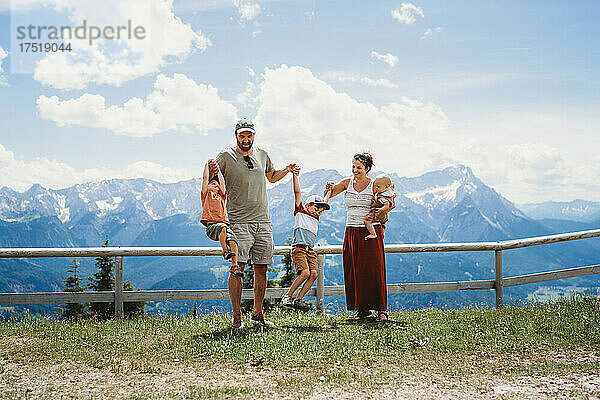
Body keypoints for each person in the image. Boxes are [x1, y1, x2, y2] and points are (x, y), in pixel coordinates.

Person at [216, 118, 297, 329]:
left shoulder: (262, 154)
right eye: (242, 135)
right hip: (238, 222)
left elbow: (271, 176)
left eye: (249, 135)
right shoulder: (226, 156)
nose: (246, 139)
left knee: (262, 268)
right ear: (236, 136)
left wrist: (287, 170)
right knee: (237, 269)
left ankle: (258, 315)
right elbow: (213, 180)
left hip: (263, 221)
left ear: (254, 136)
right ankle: (236, 317)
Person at [325, 152, 388, 322]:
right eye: (353, 166)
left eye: (359, 167)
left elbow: (385, 203)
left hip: (370, 231)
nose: (354, 170)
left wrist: (381, 213)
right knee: (354, 270)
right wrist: (328, 188)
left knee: (375, 270)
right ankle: (362, 309)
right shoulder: (347, 183)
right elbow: (330, 194)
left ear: (367, 168)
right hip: (351, 230)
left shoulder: (374, 185)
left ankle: (381, 310)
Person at [281, 168, 331, 312]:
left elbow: (325, 201)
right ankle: (288, 296)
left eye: (320, 211)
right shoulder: (300, 212)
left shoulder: (316, 217)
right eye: (316, 209)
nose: (318, 212)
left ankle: (298, 300)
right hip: (299, 248)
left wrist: (328, 191)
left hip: (310, 250)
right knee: (305, 273)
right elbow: (297, 193)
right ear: (308, 205)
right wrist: (295, 176)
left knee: (314, 274)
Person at [200, 159, 240, 276]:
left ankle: (234, 266)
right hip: (212, 226)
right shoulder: (206, 194)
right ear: (207, 186)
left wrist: (218, 171)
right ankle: (225, 251)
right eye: (213, 184)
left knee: (233, 240)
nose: (216, 186)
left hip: (224, 226)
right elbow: (205, 179)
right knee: (222, 227)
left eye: (217, 185)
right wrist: (207, 165)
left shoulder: (221, 196)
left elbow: (222, 183)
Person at [364, 174, 395, 240]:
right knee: (383, 224)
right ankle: (382, 235)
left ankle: (373, 233)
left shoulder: (383, 196)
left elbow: (386, 206)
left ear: (386, 186)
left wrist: (380, 210)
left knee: (367, 220)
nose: (376, 188)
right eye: (375, 186)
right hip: (384, 216)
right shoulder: (388, 192)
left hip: (378, 212)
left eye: (378, 187)